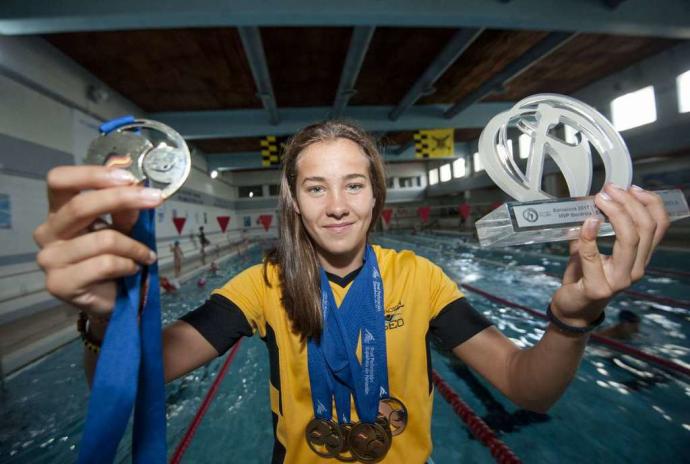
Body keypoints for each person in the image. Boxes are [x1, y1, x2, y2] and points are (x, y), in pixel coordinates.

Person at [33, 120, 670, 463]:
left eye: (354, 185)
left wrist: (570, 318)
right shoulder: (263, 286)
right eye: (317, 188)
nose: (337, 206)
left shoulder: (419, 279)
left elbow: (528, 385)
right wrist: (104, 324)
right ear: (295, 203)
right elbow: (142, 378)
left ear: (376, 197)